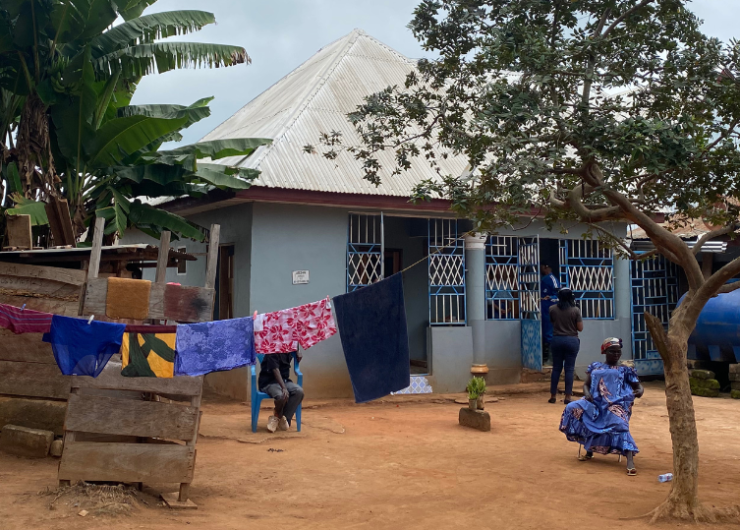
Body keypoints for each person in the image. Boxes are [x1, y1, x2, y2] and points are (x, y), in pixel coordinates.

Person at [559, 338, 644, 476]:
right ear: (605, 352)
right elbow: (586, 385)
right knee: (574, 408)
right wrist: (587, 394)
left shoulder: (625, 370)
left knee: (619, 423)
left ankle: (629, 459)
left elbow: (638, 386)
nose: (616, 354)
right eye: (612, 351)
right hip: (595, 402)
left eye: (618, 352)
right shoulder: (595, 367)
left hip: (616, 404)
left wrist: (640, 391)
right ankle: (589, 451)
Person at [548, 288, 583, 404]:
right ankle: (568, 396)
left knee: (556, 368)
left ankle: (553, 395)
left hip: (557, 340)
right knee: (569, 369)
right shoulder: (575, 310)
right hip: (572, 340)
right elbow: (580, 328)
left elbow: (553, 323)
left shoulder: (552, 309)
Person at [258, 351, 304, 433]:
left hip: (285, 381)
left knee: (298, 391)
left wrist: (298, 353)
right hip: (270, 383)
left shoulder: (287, 350)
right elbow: (275, 369)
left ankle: (284, 418)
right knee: (281, 395)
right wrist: (284, 387)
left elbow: (294, 351)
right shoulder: (272, 351)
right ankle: (277, 415)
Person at [540, 264, 560, 362]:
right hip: (542, 310)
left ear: (546, 267)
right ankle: (544, 358)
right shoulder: (543, 279)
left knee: (549, 333)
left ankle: (550, 359)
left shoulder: (552, 279)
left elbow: (558, 294)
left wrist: (550, 298)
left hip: (549, 310)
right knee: (543, 333)